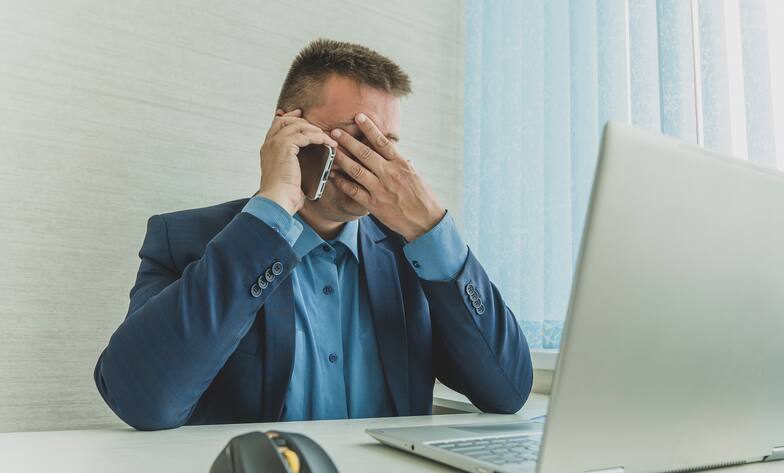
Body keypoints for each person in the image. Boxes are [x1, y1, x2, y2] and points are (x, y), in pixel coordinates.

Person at [94, 38, 532, 430]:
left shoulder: (416, 255)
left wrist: (432, 229)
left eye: (387, 143)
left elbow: (508, 390)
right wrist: (271, 212)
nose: (374, 158)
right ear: (287, 127)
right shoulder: (184, 238)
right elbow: (142, 403)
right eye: (353, 135)